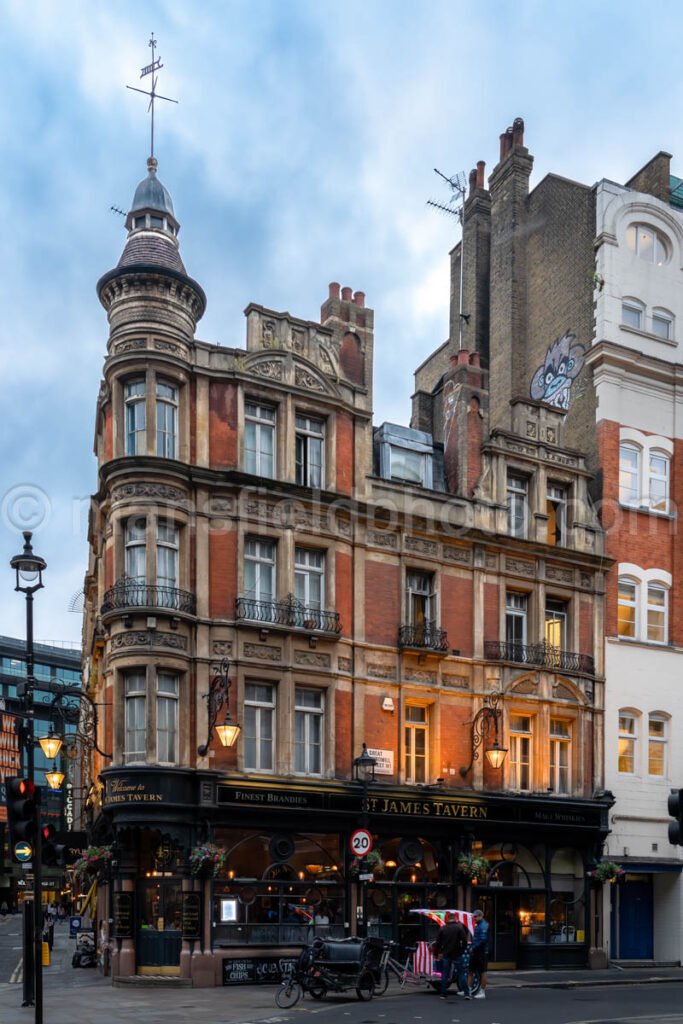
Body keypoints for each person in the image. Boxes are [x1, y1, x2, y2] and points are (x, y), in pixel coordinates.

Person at [433, 912, 470, 1000]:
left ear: (448, 919)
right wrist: (462, 950)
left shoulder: (443, 929)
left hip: (446, 954)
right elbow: (464, 941)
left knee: (445, 974)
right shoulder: (459, 928)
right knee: (461, 974)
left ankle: (443, 994)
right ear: (455, 918)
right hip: (457, 954)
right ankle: (467, 993)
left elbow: (438, 943)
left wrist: (436, 953)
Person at [468, 908, 489, 1000]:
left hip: (481, 952)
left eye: (476, 916)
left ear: (481, 916)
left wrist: (473, 947)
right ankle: (467, 990)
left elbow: (482, 940)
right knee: (470, 971)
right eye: (474, 916)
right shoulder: (478, 924)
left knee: (482, 972)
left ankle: (482, 992)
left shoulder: (483, 925)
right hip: (476, 951)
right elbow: (476, 938)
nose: (474, 918)